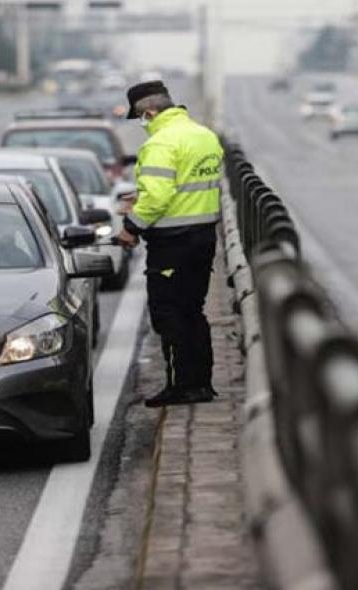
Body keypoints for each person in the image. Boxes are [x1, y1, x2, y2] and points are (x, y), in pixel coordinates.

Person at [116, 81, 223, 407]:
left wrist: (130, 227)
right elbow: (189, 185)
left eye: (141, 119)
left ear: (148, 111)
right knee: (194, 311)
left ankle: (180, 386)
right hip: (203, 236)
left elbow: (160, 196)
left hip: (172, 244)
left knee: (169, 315)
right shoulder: (204, 135)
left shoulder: (160, 144)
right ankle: (202, 384)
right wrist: (145, 196)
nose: (143, 126)